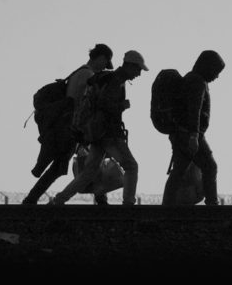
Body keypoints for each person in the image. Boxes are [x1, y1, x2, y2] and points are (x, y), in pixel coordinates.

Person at [51, 50, 148, 206]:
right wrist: (122, 106)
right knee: (131, 166)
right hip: (108, 133)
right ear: (129, 66)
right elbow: (105, 105)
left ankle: (58, 200)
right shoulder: (116, 81)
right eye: (138, 69)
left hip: (96, 132)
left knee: (89, 172)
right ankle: (129, 204)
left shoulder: (107, 78)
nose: (139, 74)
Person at [23, 44, 113, 205]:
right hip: (73, 128)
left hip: (69, 127)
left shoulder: (78, 73)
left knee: (77, 164)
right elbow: (84, 102)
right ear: (101, 58)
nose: (104, 67)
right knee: (73, 165)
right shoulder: (88, 75)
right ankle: (33, 199)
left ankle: (32, 199)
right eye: (105, 63)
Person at [162, 50, 225, 206]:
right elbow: (194, 110)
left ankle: (166, 205)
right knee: (210, 167)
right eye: (216, 71)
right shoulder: (198, 82)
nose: (217, 76)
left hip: (180, 133)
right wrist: (194, 136)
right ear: (208, 67)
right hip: (189, 134)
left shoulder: (190, 78)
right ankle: (212, 204)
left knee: (179, 170)